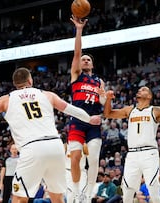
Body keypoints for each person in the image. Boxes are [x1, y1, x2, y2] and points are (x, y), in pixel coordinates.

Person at [0, 67, 101, 203]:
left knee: (19, 198)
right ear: (30, 80)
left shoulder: (6, 99)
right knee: (57, 197)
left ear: (15, 84)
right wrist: (89, 119)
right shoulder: (47, 94)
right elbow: (72, 110)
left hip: (32, 148)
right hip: (55, 146)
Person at [68, 16, 106, 202]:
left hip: (94, 122)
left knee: (93, 160)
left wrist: (106, 99)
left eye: (87, 59)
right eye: (82, 59)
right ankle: (75, 190)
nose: (84, 60)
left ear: (92, 64)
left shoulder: (99, 82)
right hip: (78, 120)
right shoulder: (76, 76)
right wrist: (79, 30)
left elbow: (106, 107)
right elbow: (76, 53)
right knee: (75, 157)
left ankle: (88, 193)